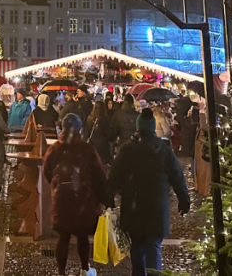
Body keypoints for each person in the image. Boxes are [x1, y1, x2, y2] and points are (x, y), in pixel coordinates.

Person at [109, 109, 191, 276]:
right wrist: (184, 200)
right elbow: (177, 176)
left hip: (133, 206)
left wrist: (109, 197)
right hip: (157, 207)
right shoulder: (164, 150)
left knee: (137, 245)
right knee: (153, 247)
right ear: (153, 128)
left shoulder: (126, 150)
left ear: (138, 128)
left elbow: (113, 177)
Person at [42, 113, 107, 276]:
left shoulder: (54, 148)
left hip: (62, 199)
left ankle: (61, 272)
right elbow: (99, 175)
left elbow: (47, 171)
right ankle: (85, 268)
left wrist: (57, 188)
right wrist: (102, 198)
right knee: (82, 235)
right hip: (83, 200)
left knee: (63, 237)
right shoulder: (87, 149)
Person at [86, 100, 113, 167]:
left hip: (92, 144)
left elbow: (87, 131)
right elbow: (109, 134)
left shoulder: (89, 118)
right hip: (103, 146)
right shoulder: (104, 119)